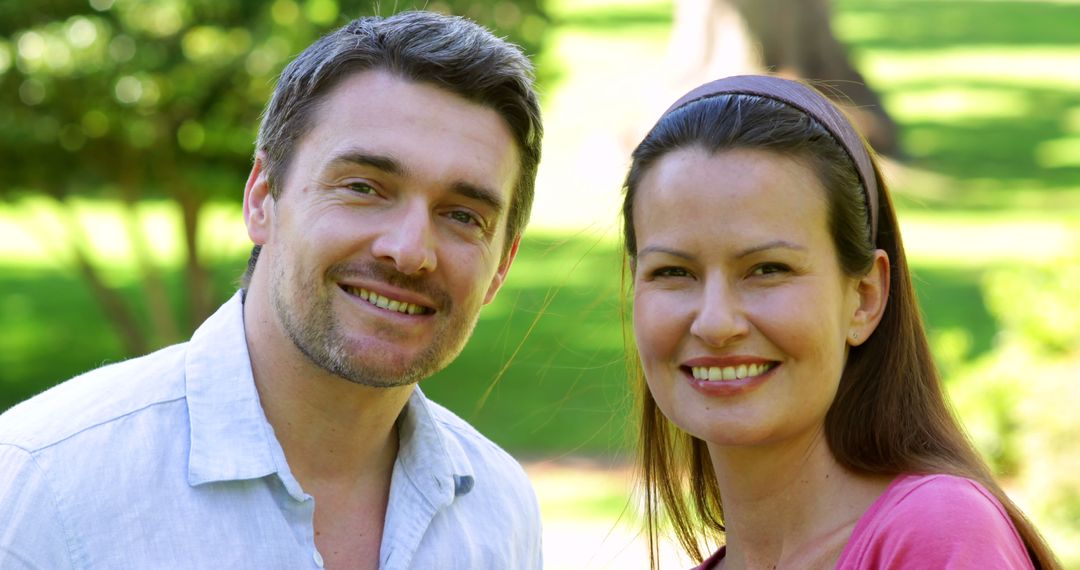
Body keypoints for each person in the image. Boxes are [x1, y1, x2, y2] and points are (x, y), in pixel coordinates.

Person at [0, 11, 543, 569]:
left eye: (463, 216)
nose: (409, 250)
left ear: (501, 264)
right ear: (262, 198)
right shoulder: (46, 485)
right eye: (363, 187)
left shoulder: (499, 513)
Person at [621, 75, 1059, 569]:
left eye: (768, 269)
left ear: (864, 299)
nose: (716, 322)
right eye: (673, 272)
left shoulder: (936, 535)